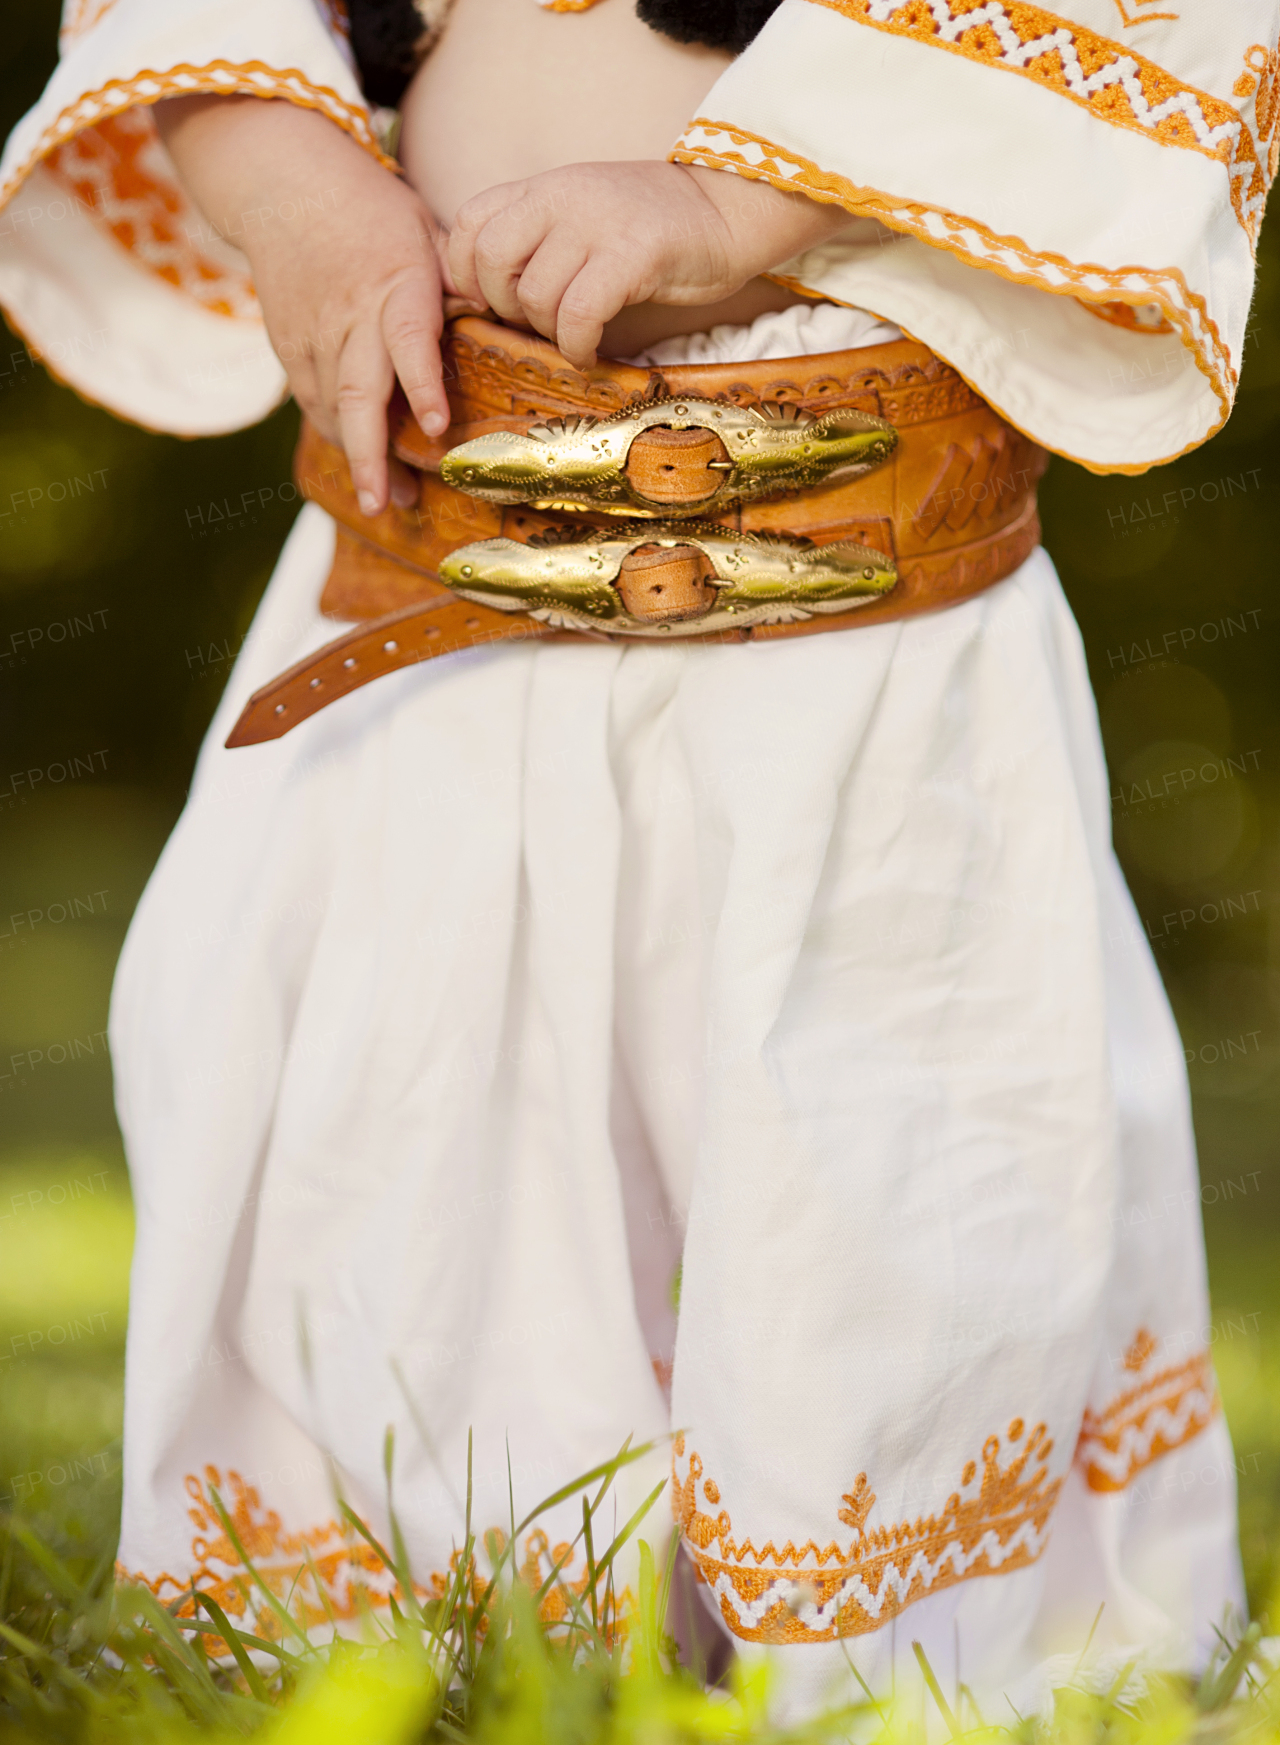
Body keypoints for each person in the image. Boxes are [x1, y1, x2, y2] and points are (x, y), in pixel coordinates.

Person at [0, 0, 1270, 1711]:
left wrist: (731, 209)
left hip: (850, 636)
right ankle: (403, 1615)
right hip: (433, 566)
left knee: (880, 1156)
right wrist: (301, 198)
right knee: (376, 1117)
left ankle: (900, 1634)